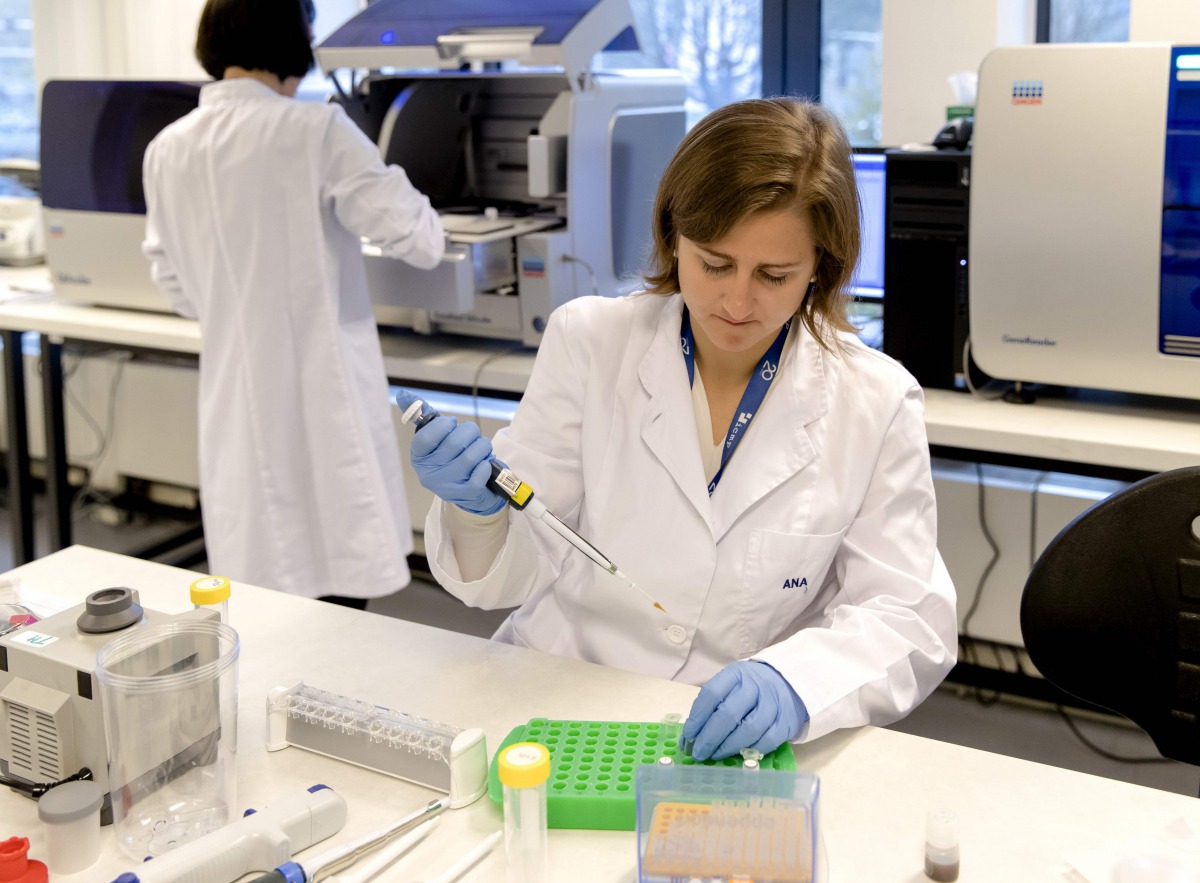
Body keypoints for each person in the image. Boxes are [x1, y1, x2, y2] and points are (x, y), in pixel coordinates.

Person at [408, 98, 957, 759]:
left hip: (727, 738)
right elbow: (513, 573)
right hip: (561, 696)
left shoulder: (877, 399)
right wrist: (479, 515)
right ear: (674, 237)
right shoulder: (591, 342)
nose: (736, 301)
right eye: (715, 263)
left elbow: (908, 614)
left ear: (823, 265)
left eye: (774, 275)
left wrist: (796, 682)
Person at [142, 0, 444, 607]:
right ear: (294, 40)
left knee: (264, 593)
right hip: (320, 403)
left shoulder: (167, 147)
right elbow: (420, 240)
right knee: (336, 588)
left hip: (233, 398)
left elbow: (170, 281)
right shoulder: (315, 131)